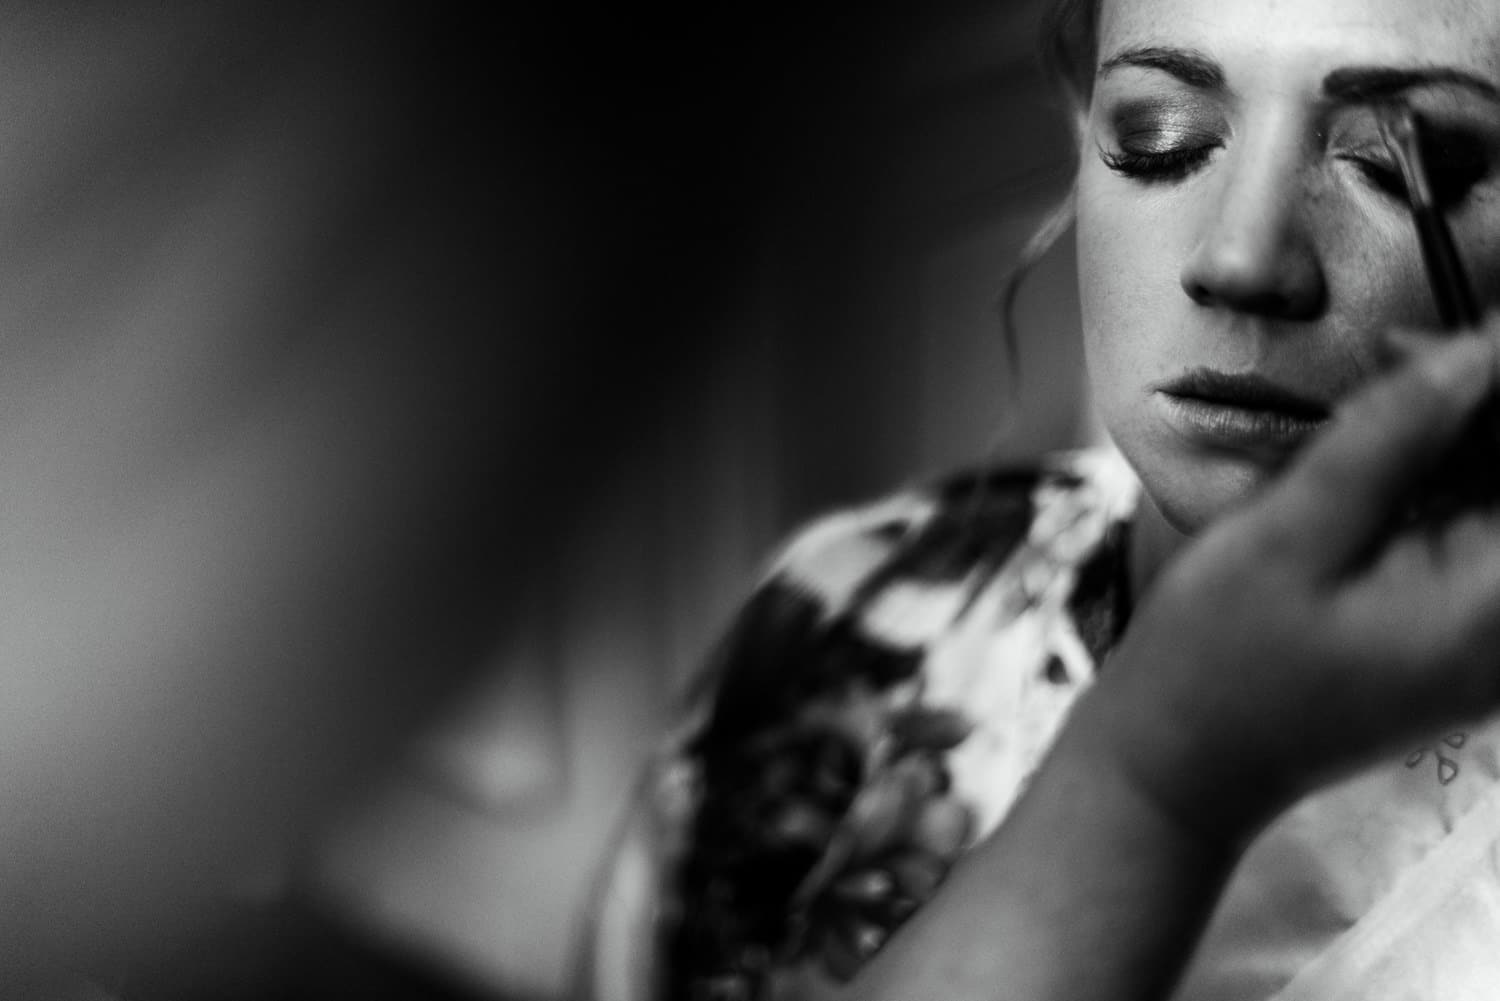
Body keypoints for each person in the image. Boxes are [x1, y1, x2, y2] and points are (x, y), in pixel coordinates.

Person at [583, 0, 1500, 998]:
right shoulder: (848, 623)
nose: (1242, 261)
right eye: (1158, 137)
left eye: (1412, 164)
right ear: (1080, 122)